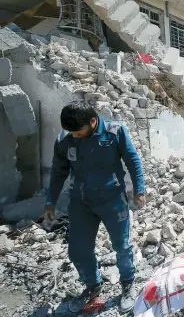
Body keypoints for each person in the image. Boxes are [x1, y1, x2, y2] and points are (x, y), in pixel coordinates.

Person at [44, 102, 145, 313]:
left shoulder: (114, 132)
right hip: (81, 203)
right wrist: (50, 201)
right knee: (78, 251)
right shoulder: (65, 139)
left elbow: (132, 160)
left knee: (121, 246)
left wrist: (139, 189)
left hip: (113, 200)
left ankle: (127, 284)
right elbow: (58, 172)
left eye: (78, 131)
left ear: (92, 121)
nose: (75, 136)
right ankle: (92, 285)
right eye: (71, 132)